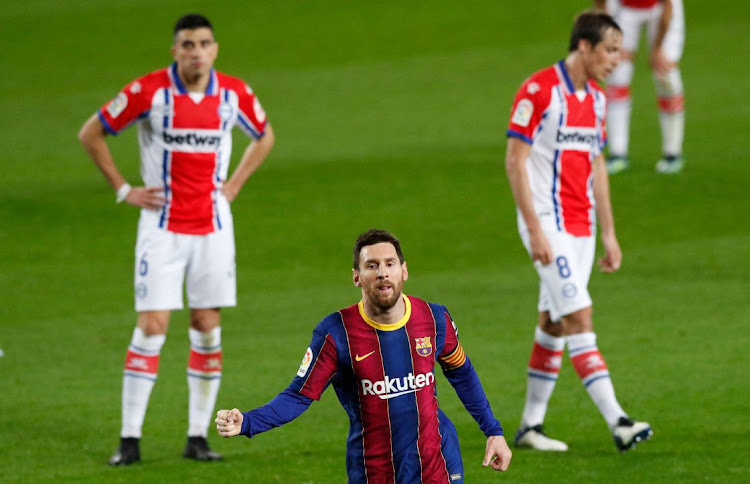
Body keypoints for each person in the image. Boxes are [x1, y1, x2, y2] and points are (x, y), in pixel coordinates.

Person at [78, 13, 275, 465]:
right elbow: (91, 132)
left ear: (215, 49)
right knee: (152, 328)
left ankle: (197, 437)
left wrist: (236, 183)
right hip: (162, 227)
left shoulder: (233, 93)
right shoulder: (148, 92)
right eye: (188, 44)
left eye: (204, 43)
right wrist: (124, 189)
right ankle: (129, 440)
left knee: (206, 325)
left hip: (213, 228)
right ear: (175, 51)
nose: (197, 51)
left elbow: (263, 136)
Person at [215, 229, 512, 482]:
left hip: (438, 466)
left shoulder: (434, 319)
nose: (382, 272)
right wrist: (249, 421)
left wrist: (493, 431)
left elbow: (461, 372)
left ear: (404, 271)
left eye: (389, 263)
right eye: (372, 266)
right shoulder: (336, 333)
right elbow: (299, 395)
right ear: (357, 277)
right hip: (373, 471)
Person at [504, 11, 652, 452]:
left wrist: (609, 232)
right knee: (579, 317)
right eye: (610, 50)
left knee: (553, 320)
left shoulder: (599, 100)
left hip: (581, 228)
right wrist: (535, 231)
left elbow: (597, 166)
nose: (617, 60)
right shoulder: (540, 90)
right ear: (584, 46)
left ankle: (531, 427)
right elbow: (515, 160)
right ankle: (619, 421)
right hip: (546, 223)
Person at [594, 0, 686, 174]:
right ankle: (617, 153)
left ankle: (672, 153)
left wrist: (657, 50)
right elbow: (601, 4)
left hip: (661, 7)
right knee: (617, 73)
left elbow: (667, 7)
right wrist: (608, 30)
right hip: (623, 7)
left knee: (666, 76)